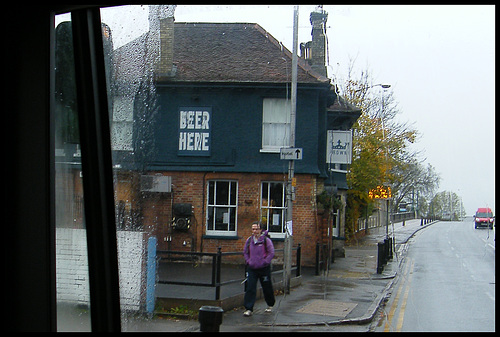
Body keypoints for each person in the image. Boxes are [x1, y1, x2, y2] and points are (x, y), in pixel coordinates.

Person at [242, 221, 275, 317]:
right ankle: (248, 308)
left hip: (264, 268)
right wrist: (249, 261)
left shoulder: (265, 240)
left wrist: (265, 262)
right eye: (253, 229)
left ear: (261, 230)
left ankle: (270, 304)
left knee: (267, 287)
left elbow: (271, 252)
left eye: (257, 229)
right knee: (250, 287)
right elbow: (245, 252)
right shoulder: (249, 240)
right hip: (252, 268)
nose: (255, 231)